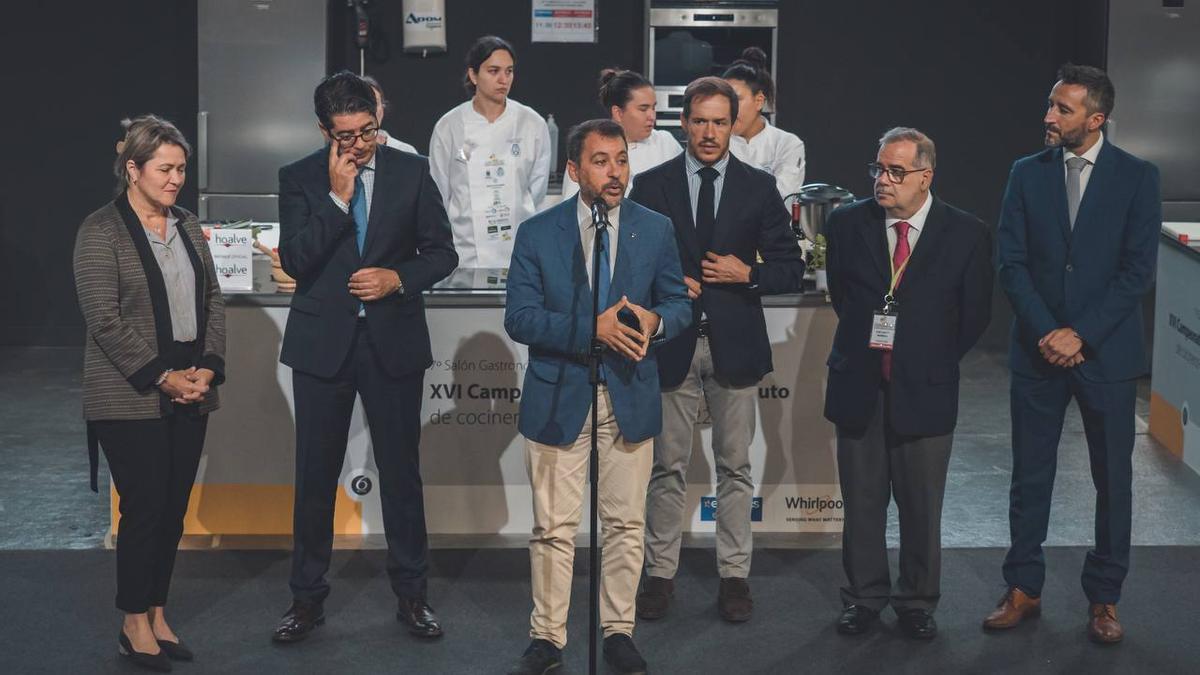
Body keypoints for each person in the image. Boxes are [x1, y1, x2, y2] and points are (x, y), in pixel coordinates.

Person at [270, 71, 458, 644]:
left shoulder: (411, 170)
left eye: (367, 130)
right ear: (323, 129)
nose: (358, 144)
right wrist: (337, 198)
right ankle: (306, 600)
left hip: (392, 341)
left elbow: (442, 253)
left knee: (401, 473)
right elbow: (298, 261)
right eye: (345, 135)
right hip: (321, 345)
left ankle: (413, 595)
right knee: (314, 475)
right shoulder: (300, 177)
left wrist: (397, 278)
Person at [504, 119, 690, 675]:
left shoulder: (654, 229)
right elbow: (520, 317)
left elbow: (680, 303)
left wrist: (658, 322)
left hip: (629, 394)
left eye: (622, 160)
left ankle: (618, 631)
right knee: (553, 528)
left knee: (626, 525)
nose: (615, 173)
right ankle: (548, 637)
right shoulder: (538, 232)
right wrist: (592, 330)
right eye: (602, 161)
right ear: (574, 169)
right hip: (560, 394)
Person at [986, 64, 1160, 644]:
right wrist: (1047, 332)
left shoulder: (1138, 177)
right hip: (1038, 352)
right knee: (1029, 477)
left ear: (1096, 117)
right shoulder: (1025, 173)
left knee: (1113, 482)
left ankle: (1104, 598)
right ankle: (1023, 588)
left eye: (1062, 109)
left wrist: (1079, 333)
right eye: (1050, 105)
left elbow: (1137, 272)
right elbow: (1010, 262)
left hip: (1105, 355)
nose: (1049, 116)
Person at [631, 77, 805, 623]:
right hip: (670, 343)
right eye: (699, 121)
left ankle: (734, 577)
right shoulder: (650, 184)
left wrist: (745, 272)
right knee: (667, 468)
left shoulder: (758, 186)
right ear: (682, 123)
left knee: (734, 468)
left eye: (720, 122)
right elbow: (627, 264)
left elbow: (789, 269)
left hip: (735, 346)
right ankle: (659, 574)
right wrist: (663, 282)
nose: (709, 133)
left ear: (736, 125)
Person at [823, 127, 993, 640]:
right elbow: (841, 296)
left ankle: (917, 601)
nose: (884, 180)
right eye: (879, 169)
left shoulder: (966, 233)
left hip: (926, 387)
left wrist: (928, 359)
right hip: (859, 385)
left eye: (897, 172)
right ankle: (864, 597)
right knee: (863, 503)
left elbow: (975, 316)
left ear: (926, 176)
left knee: (922, 505)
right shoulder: (847, 223)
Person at [74, 114, 226, 671]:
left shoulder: (186, 225)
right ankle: (132, 621)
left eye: (181, 169)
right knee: (145, 506)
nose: (175, 179)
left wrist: (207, 368)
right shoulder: (100, 230)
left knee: (173, 510)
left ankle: (158, 612)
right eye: (164, 169)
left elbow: (212, 302)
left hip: (192, 388)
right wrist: (163, 375)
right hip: (129, 394)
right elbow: (104, 319)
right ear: (132, 169)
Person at [430, 35, 551, 268]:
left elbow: (537, 189)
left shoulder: (532, 123)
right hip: (464, 251)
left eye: (509, 71)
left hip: (517, 246)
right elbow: (438, 193)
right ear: (473, 75)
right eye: (493, 71)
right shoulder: (449, 126)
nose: (503, 79)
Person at [560, 68, 682, 199]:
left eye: (653, 108)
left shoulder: (665, 143)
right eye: (643, 109)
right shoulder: (589, 147)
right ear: (618, 113)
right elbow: (572, 205)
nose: (652, 116)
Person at [722, 47, 806, 200]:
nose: (728, 109)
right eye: (724, 100)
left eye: (736, 100)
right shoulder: (716, 142)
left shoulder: (787, 144)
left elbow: (780, 196)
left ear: (759, 101)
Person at [361, 74, 418, 154]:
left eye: (374, 103)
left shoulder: (406, 152)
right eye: (362, 104)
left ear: (382, 109)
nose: (369, 110)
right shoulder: (339, 152)